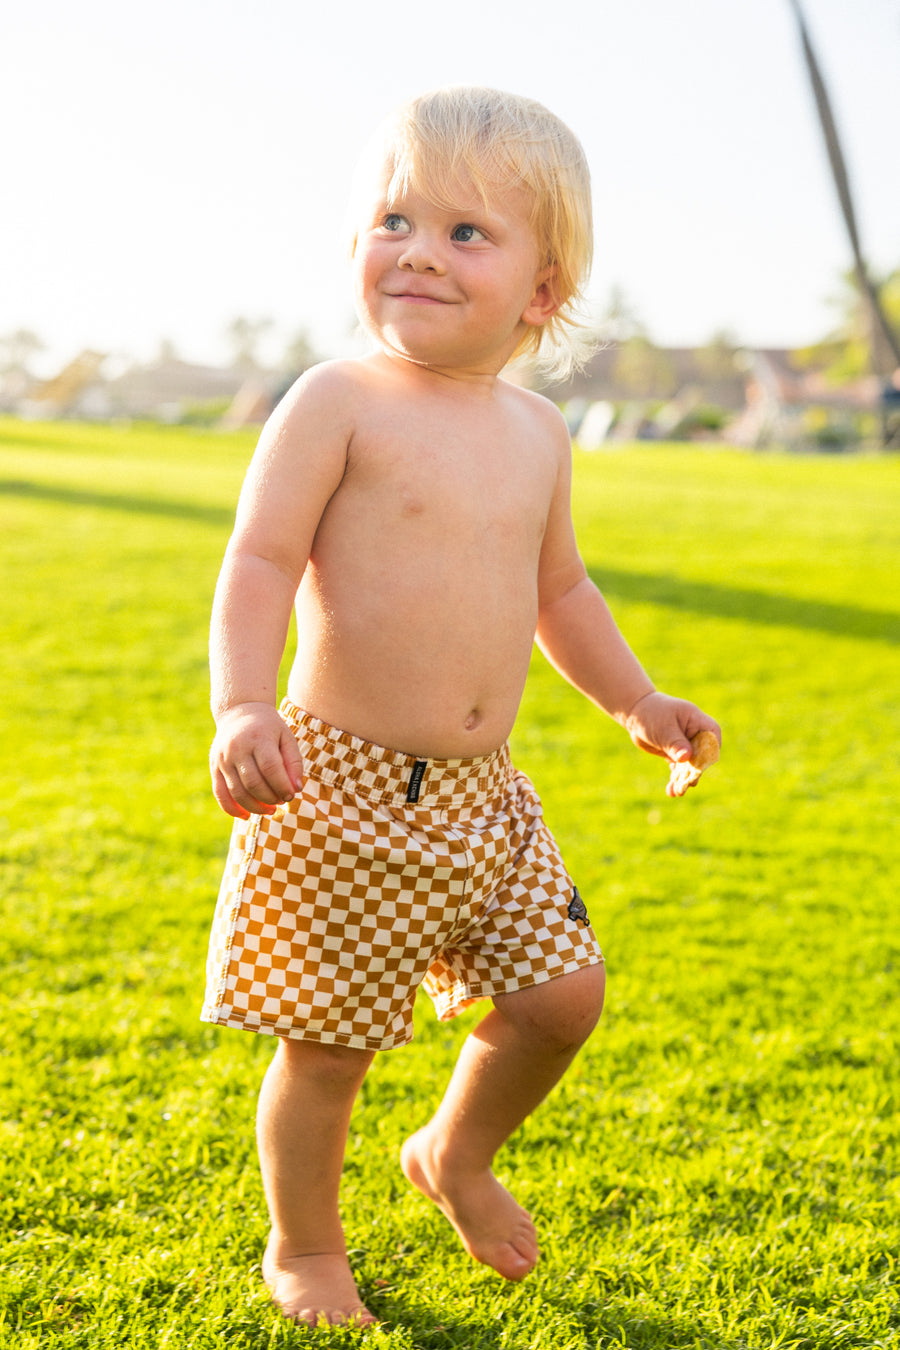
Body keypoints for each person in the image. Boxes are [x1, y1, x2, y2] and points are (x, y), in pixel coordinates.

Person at [201, 85, 720, 1329]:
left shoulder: (537, 431)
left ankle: (453, 1151)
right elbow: (260, 562)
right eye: (395, 219)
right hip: (339, 789)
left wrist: (634, 698)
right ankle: (307, 1248)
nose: (420, 249)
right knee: (329, 1050)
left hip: (487, 799)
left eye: (467, 233)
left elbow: (562, 591)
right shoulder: (338, 401)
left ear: (543, 292)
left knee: (561, 999)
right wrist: (238, 706)